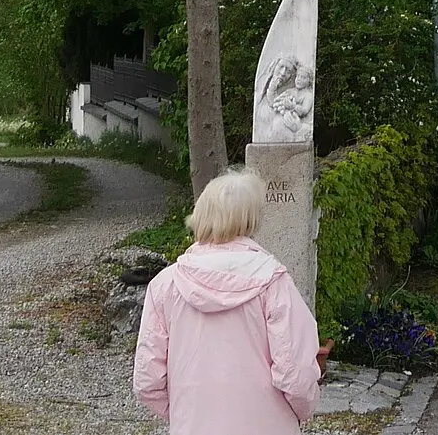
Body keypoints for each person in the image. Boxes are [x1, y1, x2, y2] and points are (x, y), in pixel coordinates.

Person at [134, 166, 324, 434]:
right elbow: (295, 372)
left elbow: (148, 379)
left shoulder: (164, 286)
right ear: (251, 220)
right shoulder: (273, 282)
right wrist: (302, 411)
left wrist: (184, 413)